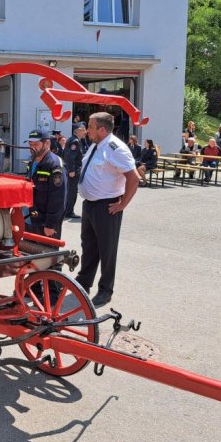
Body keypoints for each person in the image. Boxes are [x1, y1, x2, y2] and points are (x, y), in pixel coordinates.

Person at [76, 112, 140, 307]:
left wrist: (122, 204)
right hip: (90, 205)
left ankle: (105, 290)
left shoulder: (116, 148)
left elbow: (134, 177)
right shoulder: (97, 146)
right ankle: (84, 283)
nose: (87, 130)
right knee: (89, 246)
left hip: (107, 206)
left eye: (91, 127)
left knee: (107, 250)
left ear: (102, 129)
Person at [25, 129, 67, 239]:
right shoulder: (32, 160)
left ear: (47, 143)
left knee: (46, 255)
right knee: (28, 253)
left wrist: (50, 224)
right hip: (31, 218)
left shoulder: (55, 164)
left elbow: (58, 198)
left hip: (45, 224)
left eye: (36, 144)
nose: (32, 147)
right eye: (30, 144)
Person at [63, 128, 83, 219]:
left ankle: (67, 210)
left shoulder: (72, 139)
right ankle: (69, 212)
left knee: (70, 191)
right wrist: (71, 170)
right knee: (72, 192)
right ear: (78, 131)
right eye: (83, 130)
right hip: (73, 171)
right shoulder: (75, 141)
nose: (85, 132)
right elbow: (70, 156)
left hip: (71, 169)